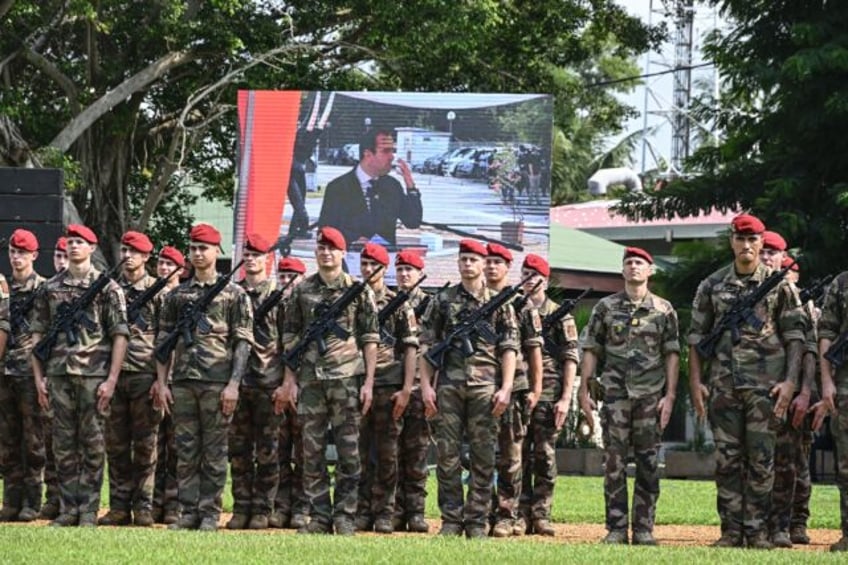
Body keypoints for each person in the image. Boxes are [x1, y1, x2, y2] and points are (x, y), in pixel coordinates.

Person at [689, 214, 807, 549]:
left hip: (765, 388)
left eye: (753, 239)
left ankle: (757, 531)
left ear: (760, 242)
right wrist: (696, 383)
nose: (746, 245)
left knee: (762, 461)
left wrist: (789, 383)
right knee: (727, 461)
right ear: (732, 242)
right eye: (740, 239)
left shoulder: (780, 284)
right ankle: (730, 531)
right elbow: (696, 339)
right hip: (724, 387)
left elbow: (795, 337)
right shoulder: (711, 285)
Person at [275, 226, 379, 535]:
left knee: (349, 452)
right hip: (310, 382)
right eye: (321, 247)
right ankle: (319, 516)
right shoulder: (303, 290)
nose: (325, 252)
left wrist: (369, 382)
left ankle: (345, 515)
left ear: (342, 253)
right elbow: (290, 338)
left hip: (346, 379)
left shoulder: (358, 290)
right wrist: (289, 380)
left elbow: (370, 338)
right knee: (312, 452)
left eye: (332, 248)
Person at [154, 223, 253, 532]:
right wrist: (162, 382)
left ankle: (209, 513)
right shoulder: (177, 295)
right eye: (194, 248)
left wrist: (234, 384)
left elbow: (243, 341)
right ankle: (187, 512)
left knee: (214, 451)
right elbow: (163, 341)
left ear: (216, 252)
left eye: (204, 248)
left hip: (217, 381)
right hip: (183, 381)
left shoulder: (234, 294)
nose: (198, 253)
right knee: (185, 450)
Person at [578, 246, 679, 546]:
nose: (634, 267)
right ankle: (617, 528)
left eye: (640, 263)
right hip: (615, 396)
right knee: (614, 462)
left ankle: (645, 528)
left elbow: (672, 354)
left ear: (650, 271)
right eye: (629, 263)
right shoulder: (605, 308)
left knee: (648, 463)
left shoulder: (664, 310)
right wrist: (584, 390)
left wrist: (670, 395)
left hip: (650, 395)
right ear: (622, 270)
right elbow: (592, 349)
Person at [419, 239, 519, 539]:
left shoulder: (499, 301)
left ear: (482, 263)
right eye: (463, 259)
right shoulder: (443, 299)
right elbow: (427, 345)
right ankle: (451, 520)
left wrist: (507, 387)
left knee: (483, 455)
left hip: (485, 388)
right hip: (449, 386)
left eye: (473, 259)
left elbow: (509, 347)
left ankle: (476, 520)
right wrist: (425, 386)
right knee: (447, 456)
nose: (468, 264)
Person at [31, 224, 129, 527]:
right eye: (70, 242)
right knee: (62, 445)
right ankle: (67, 509)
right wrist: (39, 378)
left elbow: (120, 336)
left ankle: (87, 510)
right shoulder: (49, 288)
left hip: (93, 377)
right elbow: (37, 337)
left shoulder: (108, 288)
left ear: (91, 248)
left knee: (93, 444)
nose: (73, 247)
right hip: (59, 376)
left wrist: (112, 379)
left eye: (79, 242)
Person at [354, 243, 419, 534]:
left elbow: (410, 349)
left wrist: (406, 388)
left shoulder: (398, 303)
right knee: (357, 452)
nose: (368, 270)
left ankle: (385, 511)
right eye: (364, 264)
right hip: (355, 383)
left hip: (388, 384)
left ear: (384, 269)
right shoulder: (351, 300)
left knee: (387, 453)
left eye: (374, 266)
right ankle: (361, 509)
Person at [99, 231, 163, 527]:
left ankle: (144, 507)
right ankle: (119, 507)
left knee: (146, 444)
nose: (128, 256)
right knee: (116, 444)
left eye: (134, 251)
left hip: (144, 373)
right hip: (114, 375)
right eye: (124, 250)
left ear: (146, 257)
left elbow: (166, 339)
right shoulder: (109, 289)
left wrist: (162, 380)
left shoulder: (160, 291)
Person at [759, 236, 816, 548]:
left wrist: (804, 391)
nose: (767, 257)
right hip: (753, 390)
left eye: (773, 252)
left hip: (788, 391)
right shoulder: (748, 292)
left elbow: (809, 350)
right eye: (763, 251)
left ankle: (787, 524)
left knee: (788, 462)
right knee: (751, 464)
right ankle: (753, 526)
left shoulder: (797, 299)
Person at [518, 254, 579, 536]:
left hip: (549, 392)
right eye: (524, 274)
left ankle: (541, 514)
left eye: (533, 275)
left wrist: (566, 398)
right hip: (518, 389)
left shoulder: (559, 313)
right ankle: (519, 514)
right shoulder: (512, 309)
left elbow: (570, 357)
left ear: (544, 279)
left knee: (544, 455)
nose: (528, 280)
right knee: (516, 455)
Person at [227, 233, 286, 530]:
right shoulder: (232, 294)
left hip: (268, 380)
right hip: (238, 382)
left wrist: (287, 384)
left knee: (267, 450)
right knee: (238, 451)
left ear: (267, 259)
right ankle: (241, 508)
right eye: (247, 255)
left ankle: (263, 509)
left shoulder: (280, 296)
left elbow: (290, 344)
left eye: (256, 255)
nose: (250, 260)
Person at [484, 242, 540, 538]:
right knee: (481, 455)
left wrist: (536, 387)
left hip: (514, 387)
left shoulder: (522, 303)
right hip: (478, 386)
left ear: (507, 268)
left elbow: (534, 350)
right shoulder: (474, 299)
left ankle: (507, 514)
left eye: (497, 262)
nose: (491, 267)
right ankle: (484, 511)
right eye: (488, 261)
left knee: (511, 453)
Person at [0, 230, 49, 522]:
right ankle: (11, 500)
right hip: (4, 371)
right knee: (7, 440)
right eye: (12, 252)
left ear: (34, 255)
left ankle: (33, 501)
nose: (16, 257)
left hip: (30, 373)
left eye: (21, 252)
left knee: (33, 440)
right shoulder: (3, 289)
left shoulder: (44, 289)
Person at [318, 127, 422, 248]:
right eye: (386, 151)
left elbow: (413, 222)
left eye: (392, 151)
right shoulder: (338, 188)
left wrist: (410, 185)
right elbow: (325, 231)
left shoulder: (392, 186)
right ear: (367, 154)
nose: (392, 157)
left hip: (384, 262)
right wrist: (351, 239)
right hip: (349, 260)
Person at [392, 250, 432, 534]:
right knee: (388, 453)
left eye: (410, 270)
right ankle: (393, 510)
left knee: (417, 452)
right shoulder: (388, 303)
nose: (405, 274)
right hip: (391, 384)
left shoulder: (431, 305)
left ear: (420, 273)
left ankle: (416, 511)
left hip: (420, 387)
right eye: (401, 269)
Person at [269, 256, 308, 529]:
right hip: (274, 386)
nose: (286, 282)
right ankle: (281, 507)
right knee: (279, 450)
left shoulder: (310, 306)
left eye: (292, 277)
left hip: (307, 387)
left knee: (307, 452)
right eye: (282, 276)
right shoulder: (271, 305)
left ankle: (303, 508)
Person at [813, 260, 848, 552]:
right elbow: (826, 332)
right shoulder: (842, 282)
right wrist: (827, 381)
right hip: (846, 388)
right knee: (846, 464)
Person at [151, 245, 185, 525]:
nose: (163, 268)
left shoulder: (183, 298)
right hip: (152, 378)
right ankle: (154, 502)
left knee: (176, 446)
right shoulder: (150, 295)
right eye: (161, 263)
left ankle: (174, 504)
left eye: (169, 264)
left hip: (180, 380)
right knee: (154, 445)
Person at [287, 93, 334, 239]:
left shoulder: (313, 136)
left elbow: (321, 118)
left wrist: (331, 96)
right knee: (299, 204)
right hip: (291, 172)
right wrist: (319, 96)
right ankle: (302, 227)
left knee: (300, 201)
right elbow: (313, 116)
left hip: (299, 170)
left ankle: (296, 230)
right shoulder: (301, 134)